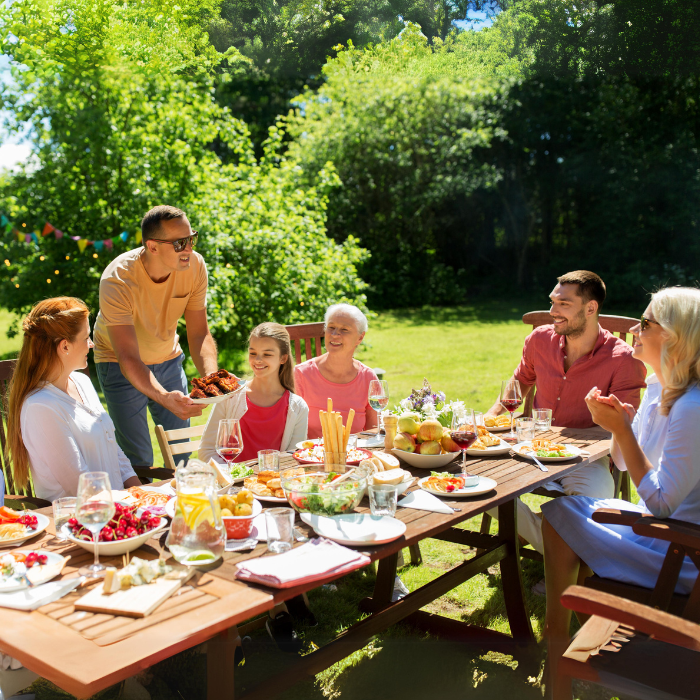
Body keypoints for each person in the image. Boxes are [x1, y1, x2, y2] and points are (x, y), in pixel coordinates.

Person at [541, 286, 700, 682]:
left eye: (645, 322)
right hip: (671, 534)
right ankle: (568, 632)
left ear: (674, 336)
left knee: (559, 513)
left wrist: (623, 430)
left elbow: (661, 503)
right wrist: (614, 423)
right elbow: (619, 463)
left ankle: (559, 643)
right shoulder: (664, 389)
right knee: (561, 511)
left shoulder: (693, 407)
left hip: (681, 553)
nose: (633, 328)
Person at [486, 271, 647, 554]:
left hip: (587, 458)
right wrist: (485, 426)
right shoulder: (539, 341)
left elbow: (624, 426)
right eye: (552, 302)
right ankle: (562, 551)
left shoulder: (624, 359)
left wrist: (568, 442)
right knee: (482, 487)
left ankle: (552, 543)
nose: (552, 312)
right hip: (530, 448)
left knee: (594, 499)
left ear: (591, 308)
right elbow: (518, 386)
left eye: (564, 304)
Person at [93, 205, 218, 472]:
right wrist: (163, 396)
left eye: (191, 239)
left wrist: (213, 381)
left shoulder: (194, 266)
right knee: (138, 459)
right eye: (179, 243)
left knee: (181, 453)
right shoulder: (117, 280)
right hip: (119, 363)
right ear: (152, 247)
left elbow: (198, 333)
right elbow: (127, 356)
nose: (188, 248)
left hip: (168, 358)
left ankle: (183, 511)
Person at [5, 297, 140, 502]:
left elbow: (113, 450)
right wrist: (132, 505)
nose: (91, 344)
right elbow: (81, 487)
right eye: (86, 338)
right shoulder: (40, 407)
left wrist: (144, 495)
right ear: (65, 347)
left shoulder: (81, 381)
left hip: (118, 508)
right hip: (80, 523)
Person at [199, 323, 308, 463]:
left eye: (267, 354)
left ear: (283, 358)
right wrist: (229, 475)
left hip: (271, 482)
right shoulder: (230, 397)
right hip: (231, 481)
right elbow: (206, 450)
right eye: (253, 353)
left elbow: (294, 457)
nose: (257, 360)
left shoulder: (298, 407)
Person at [294, 304, 378, 439]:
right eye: (331, 327)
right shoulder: (301, 374)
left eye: (344, 329)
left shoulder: (368, 377)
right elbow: (289, 430)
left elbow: (373, 430)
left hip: (354, 455)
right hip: (311, 455)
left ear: (360, 338)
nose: (334, 334)